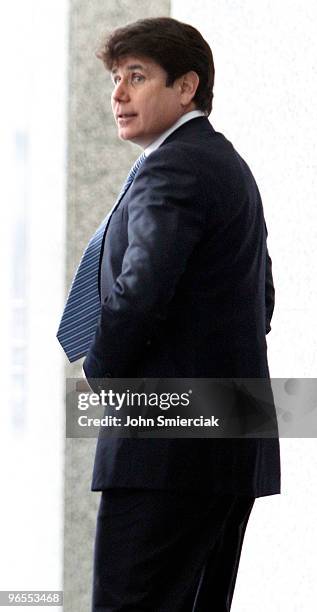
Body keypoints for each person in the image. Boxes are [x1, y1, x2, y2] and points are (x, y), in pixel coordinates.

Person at [57, 16, 281, 611]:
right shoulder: (224, 165)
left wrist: (99, 372)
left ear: (187, 86)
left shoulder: (172, 166)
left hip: (169, 448)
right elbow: (262, 301)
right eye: (114, 78)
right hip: (228, 441)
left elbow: (141, 290)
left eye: (137, 76)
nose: (119, 94)